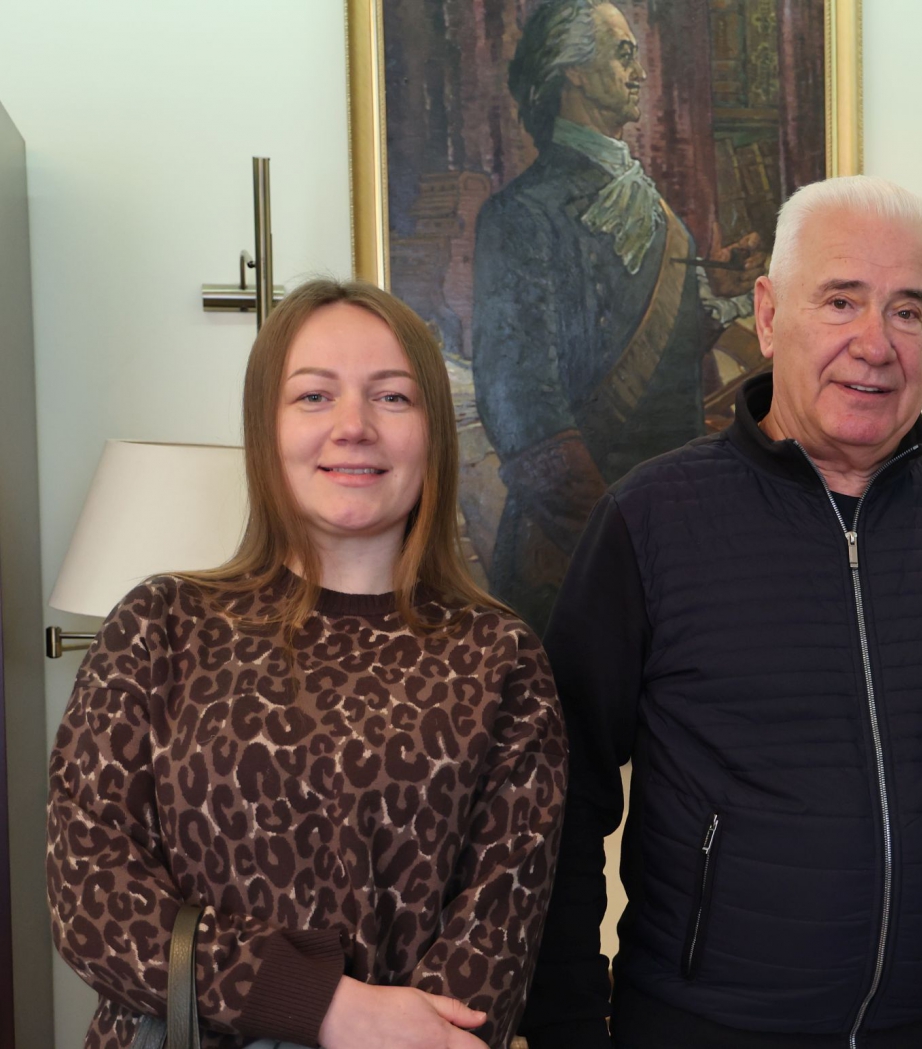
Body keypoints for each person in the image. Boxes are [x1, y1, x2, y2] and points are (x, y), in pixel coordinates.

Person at [520, 175, 922, 1049]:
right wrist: (569, 1026)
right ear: (769, 315)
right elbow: (562, 793)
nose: (874, 344)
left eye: (907, 309)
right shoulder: (649, 518)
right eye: (841, 300)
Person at [46, 280, 568, 1049]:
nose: (353, 426)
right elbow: (90, 898)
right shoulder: (159, 626)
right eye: (314, 396)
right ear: (266, 427)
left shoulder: (502, 660)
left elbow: (492, 943)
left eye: (392, 397)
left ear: (434, 432)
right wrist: (326, 1006)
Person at [471, 0, 766, 632]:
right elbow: (521, 403)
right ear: (574, 72)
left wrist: (719, 294)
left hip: (675, 533)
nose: (639, 72)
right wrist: (612, 542)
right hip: (576, 558)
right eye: (622, 54)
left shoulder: (651, 205)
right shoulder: (521, 214)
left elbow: (659, 354)